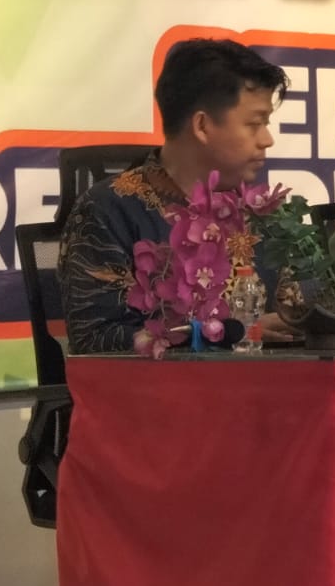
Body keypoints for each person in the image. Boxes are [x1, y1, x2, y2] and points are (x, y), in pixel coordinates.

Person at [61, 38, 296, 354]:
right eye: (254, 124)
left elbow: (299, 306)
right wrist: (225, 333)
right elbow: (95, 340)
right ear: (202, 126)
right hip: (162, 387)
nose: (267, 140)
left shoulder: (259, 212)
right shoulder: (108, 210)